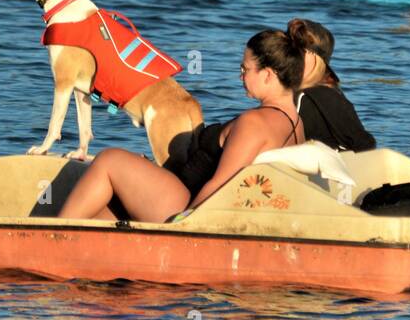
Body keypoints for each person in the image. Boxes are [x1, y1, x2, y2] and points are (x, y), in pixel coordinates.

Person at [57, 29, 307, 223]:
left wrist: (183, 224)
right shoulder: (295, 123)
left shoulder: (255, 123)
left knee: (110, 159)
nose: (240, 76)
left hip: (184, 202)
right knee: (104, 211)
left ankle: (54, 235)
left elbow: (220, 183)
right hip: (180, 192)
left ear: (269, 74)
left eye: (245, 69)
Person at [288, 18, 375, 152]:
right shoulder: (332, 93)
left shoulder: (309, 97)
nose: (291, 57)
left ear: (318, 60)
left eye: (299, 52)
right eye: (289, 50)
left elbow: (364, 144)